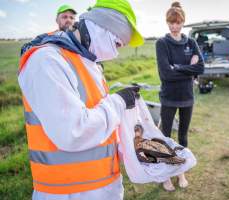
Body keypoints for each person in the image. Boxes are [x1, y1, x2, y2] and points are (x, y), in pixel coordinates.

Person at [18, 0, 144, 199]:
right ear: (102, 27)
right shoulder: (46, 61)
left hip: (102, 186)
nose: (116, 52)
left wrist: (126, 146)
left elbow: (98, 116)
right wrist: (119, 102)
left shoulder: (89, 63)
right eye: (117, 43)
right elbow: (73, 132)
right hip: (67, 192)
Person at [155, 1, 204, 191]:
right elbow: (165, 74)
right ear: (167, 23)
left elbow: (201, 67)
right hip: (168, 97)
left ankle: (180, 171)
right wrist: (189, 71)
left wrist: (179, 68)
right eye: (171, 22)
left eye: (178, 22)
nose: (174, 26)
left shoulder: (191, 42)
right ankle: (165, 175)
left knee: (183, 136)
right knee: (165, 136)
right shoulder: (162, 43)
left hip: (187, 97)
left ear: (183, 22)